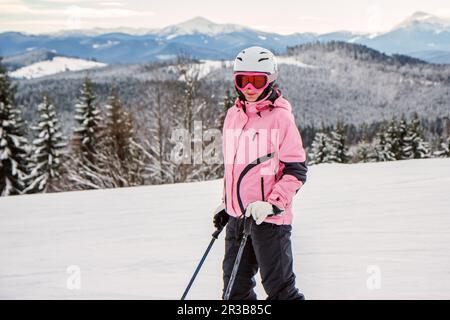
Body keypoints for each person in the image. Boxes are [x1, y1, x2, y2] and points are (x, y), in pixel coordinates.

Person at [213, 46, 308, 300]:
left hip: (269, 222)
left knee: (281, 293)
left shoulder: (280, 119)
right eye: (243, 81)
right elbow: (234, 168)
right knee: (234, 294)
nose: (250, 88)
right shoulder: (233, 115)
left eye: (257, 81)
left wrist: (271, 205)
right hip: (238, 219)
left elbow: (296, 170)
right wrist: (228, 205)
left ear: (271, 80)